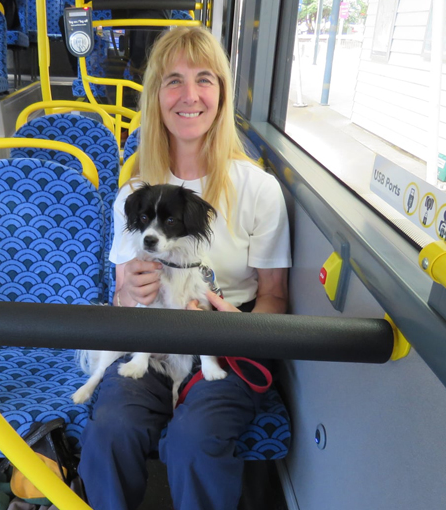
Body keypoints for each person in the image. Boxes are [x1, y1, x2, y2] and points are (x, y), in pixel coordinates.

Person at [78, 27, 291, 510]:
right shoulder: (134, 196)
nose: (189, 95)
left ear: (221, 92)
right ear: (156, 95)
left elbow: (274, 294)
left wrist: (242, 332)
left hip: (226, 342)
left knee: (195, 440)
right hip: (152, 338)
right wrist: (129, 290)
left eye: (204, 80)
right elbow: (120, 297)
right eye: (173, 81)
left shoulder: (259, 189)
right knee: (111, 429)